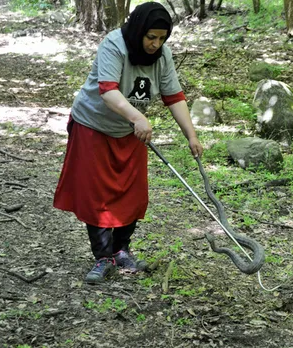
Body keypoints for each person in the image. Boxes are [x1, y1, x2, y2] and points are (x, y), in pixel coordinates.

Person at [53, 2, 203, 284]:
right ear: (138, 31)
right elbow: (108, 91)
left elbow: (174, 96)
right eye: (150, 37)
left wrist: (191, 135)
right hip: (94, 125)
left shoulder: (162, 56)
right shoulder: (114, 45)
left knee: (132, 194)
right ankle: (103, 257)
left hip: (130, 131)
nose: (155, 43)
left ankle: (121, 249)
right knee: (96, 194)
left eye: (161, 38)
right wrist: (137, 117)